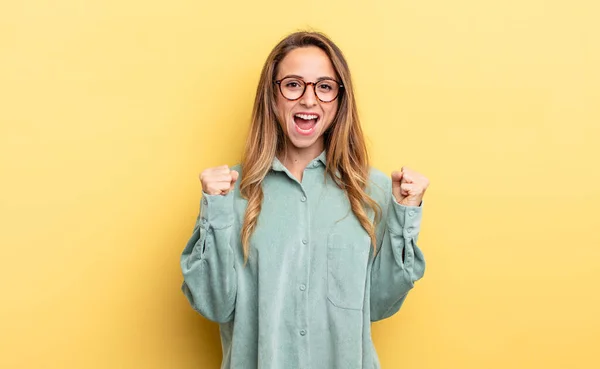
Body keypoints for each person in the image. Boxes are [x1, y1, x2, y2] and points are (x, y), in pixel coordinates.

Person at [180, 31, 429, 369]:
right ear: (272, 96)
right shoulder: (231, 193)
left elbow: (380, 305)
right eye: (294, 84)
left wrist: (405, 215)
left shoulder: (375, 191)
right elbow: (214, 305)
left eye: (324, 87)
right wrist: (215, 210)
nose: (309, 100)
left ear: (340, 100)